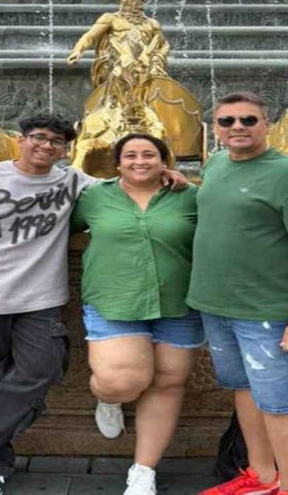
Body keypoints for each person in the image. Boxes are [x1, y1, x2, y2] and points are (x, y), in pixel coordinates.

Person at [0, 115, 187, 495]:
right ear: (20, 140)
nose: (46, 146)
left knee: (41, 371)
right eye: (39, 137)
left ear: (66, 150)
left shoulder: (72, 181)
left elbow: (129, 182)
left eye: (56, 141)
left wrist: (167, 174)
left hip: (41, 301)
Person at [188, 92, 288, 495]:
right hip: (216, 307)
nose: (237, 127)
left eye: (248, 120)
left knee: (279, 403)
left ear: (267, 125)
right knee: (244, 390)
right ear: (216, 128)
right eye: (227, 121)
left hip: (266, 313)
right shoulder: (216, 164)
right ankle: (262, 476)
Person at [70, 133, 200, 495]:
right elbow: (58, 225)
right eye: (130, 155)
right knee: (120, 382)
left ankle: (143, 470)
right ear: (117, 164)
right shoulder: (94, 196)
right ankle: (109, 399)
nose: (139, 161)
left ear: (165, 161)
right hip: (115, 299)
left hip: (178, 301)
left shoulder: (189, 196)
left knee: (168, 382)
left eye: (149, 155)